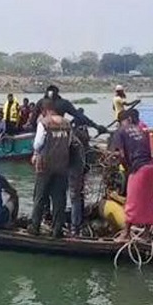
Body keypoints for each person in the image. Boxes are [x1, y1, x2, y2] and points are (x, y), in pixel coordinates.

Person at [29, 98, 73, 238]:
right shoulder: (67, 123)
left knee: (40, 196)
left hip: (44, 165)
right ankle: (57, 229)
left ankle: (35, 226)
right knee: (59, 199)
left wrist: (36, 153)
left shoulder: (44, 123)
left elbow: (38, 144)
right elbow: (70, 143)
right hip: (62, 165)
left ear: (44, 111)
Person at [112, 109, 153, 240]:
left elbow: (121, 154)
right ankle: (147, 232)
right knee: (148, 200)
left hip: (138, 167)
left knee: (132, 201)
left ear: (123, 121)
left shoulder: (120, 131)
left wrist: (127, 168)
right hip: (150, 167)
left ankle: (126, 233)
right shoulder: (140, 129)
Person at [38, 85, 109, 135]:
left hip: (44, 131)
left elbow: (33, 120)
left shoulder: (41, 102)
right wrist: (96, 126)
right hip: (62, 133)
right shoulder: (64, 103)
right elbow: (79, 116)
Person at [68, 108, 91, 237]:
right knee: (79, 195)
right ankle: (79, 222)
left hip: (74, 168)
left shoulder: (74, 136)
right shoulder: (84, 134)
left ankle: (75, 226)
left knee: (75, 197)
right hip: (82, 167)